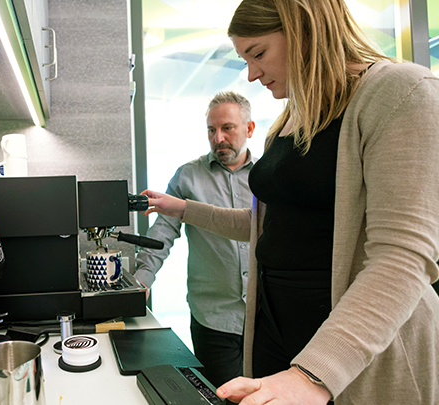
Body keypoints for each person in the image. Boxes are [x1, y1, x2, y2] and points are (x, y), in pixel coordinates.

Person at [141, 0, 439, 404]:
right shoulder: (288, 120)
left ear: (304, 28)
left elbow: (403, 257)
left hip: (350, 346)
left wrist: (313, 375)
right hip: (276, 332)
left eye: (258, 53)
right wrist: (184, 208)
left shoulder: (400, 92)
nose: (251, 74)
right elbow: (267, 226)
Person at [134, 91, 256, 390]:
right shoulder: (187, 176)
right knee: (224, 397)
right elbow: (162, 233)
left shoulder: (266, 178)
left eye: (228, 128)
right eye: (211, 130)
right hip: (213, 319)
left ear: (249, 129)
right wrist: (142, 280)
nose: (218, 139)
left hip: (263, 318)